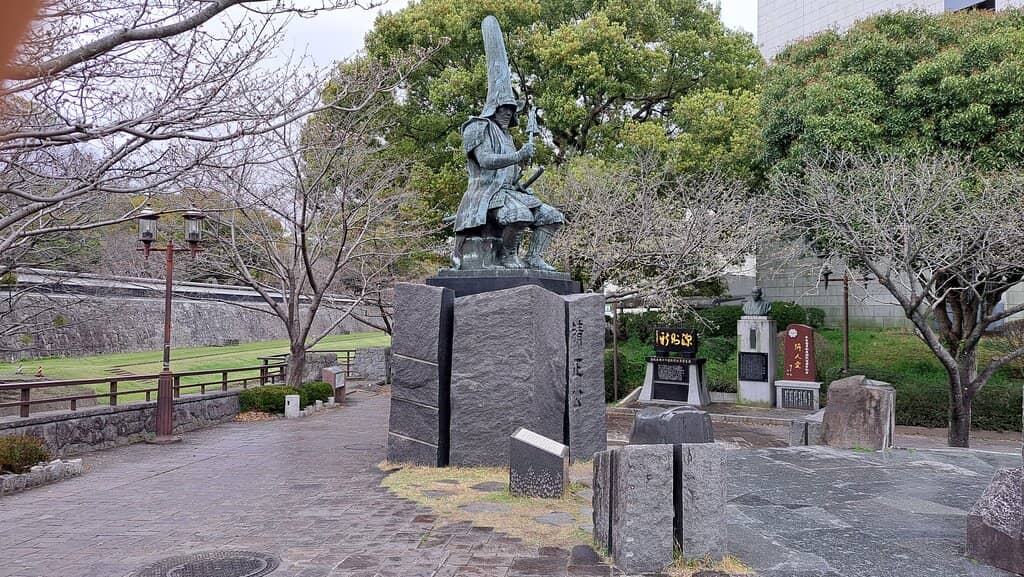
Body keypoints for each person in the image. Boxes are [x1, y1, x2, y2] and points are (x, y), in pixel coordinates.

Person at [451, 16, 563, 270]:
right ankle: (507, 256)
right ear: (494, 107)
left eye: (511, 110)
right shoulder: (477, 127)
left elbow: (509, 173)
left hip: (509, 193)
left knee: (552, 217)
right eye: (503, 109)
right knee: (519, 216)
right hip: (486, 197)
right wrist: (517, 156)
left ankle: (534, 257)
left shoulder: (508, 137)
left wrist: (520, 175)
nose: (507, 114)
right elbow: (487, 161)